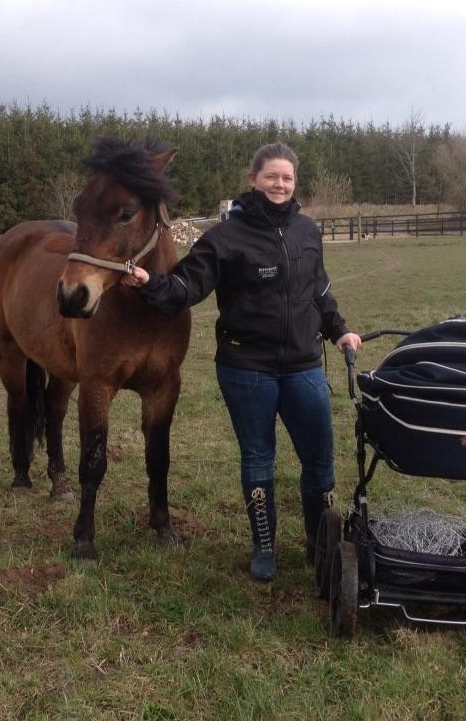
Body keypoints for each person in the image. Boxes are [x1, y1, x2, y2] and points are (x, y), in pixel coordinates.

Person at [123, 142, 361, 582]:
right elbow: (187, 286)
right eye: (271, 176)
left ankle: (319, 540)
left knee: (321, 461)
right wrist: (149, 283)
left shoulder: (308, 232)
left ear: (295, 183)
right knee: (258, 459)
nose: (279, 184)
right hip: (247, 369)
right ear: (253, 180)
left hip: (305, 366)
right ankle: (264, 545)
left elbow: (319, 291)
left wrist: (339, 329)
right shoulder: (224, 238)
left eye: (287, 178)